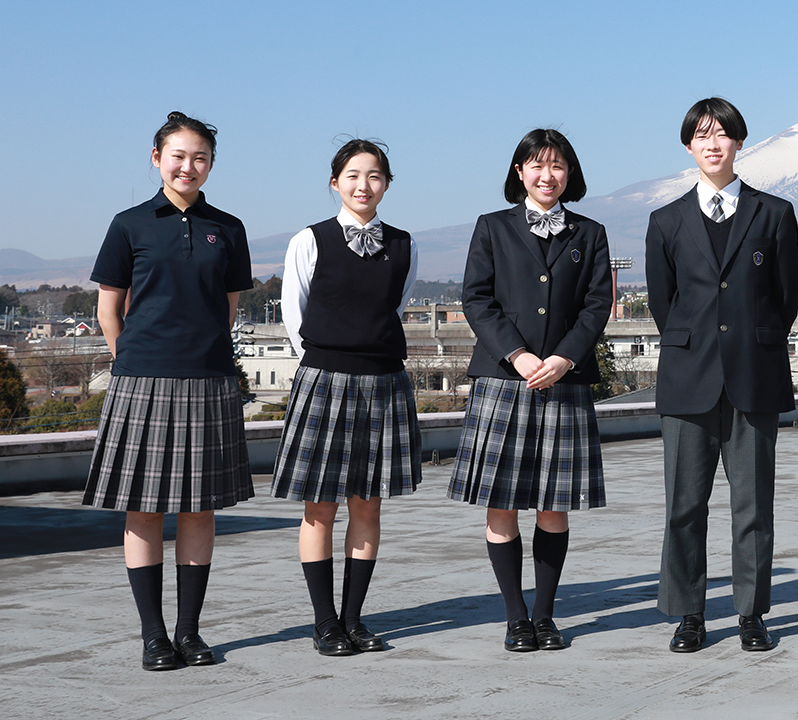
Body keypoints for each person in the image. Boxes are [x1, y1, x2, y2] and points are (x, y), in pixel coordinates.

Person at [83, 111, 254, 671]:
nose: (189, 165)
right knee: (145, 510)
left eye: (200, 157)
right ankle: (153, 635)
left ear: (211, 165)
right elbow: (109, 307)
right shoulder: (129, 224)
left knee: (201, 510)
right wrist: (129, 359)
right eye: (178, 155)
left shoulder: (227, 228)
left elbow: (227, 310)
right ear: (156, 158)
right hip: (142, 379)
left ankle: (190, 632)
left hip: (208, 378)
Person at [645, 98, 798, 653]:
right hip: (688, 380)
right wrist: (699, 346)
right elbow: (666, 308)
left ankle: (750, 613)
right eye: (702, 135)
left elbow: (784, 301)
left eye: (723, 135)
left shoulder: (774, 213)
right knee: (683, 506)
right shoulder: (665, 221)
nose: (713, 144)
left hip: (753, 377)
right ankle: (688, 614)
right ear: (688, 145)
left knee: (753, 506)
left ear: (740, 142)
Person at [448, 129, 612, 652]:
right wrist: (517, 355)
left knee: (552, 505)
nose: (547, 175)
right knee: (502, 505)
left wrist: (565, 357)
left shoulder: (589, 232)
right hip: (503, 380)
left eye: (558, 166)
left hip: (564, 382)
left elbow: (596, 304)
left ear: (571, 173)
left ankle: (545, 615)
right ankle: (515, 617)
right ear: (519, 172)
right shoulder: (492, 228)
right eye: (536, 165)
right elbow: (476, 300)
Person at [271, 138, 420, 657]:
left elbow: (394, 308)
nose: (364, 185)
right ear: (335, 183)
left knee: (368, 506)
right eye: (353, 175)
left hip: (384, 381)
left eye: (375, 176)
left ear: (387, 184)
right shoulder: (308, 240)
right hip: (325, 380)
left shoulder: (404, 244)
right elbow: (295, 314)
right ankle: (324, 623)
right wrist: (327, 364)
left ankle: (354, 619)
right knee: (320, 509)